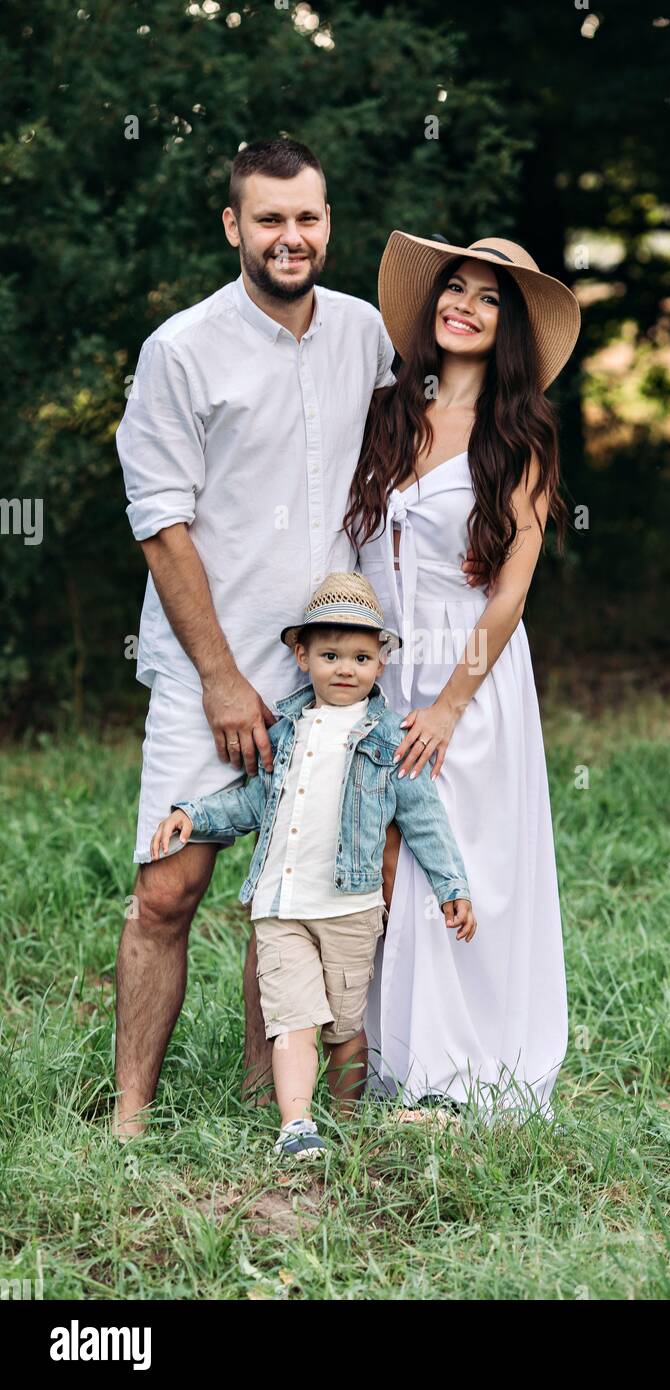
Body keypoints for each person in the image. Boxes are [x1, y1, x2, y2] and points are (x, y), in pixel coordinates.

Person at [113, 138, 396, 1139]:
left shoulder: (365, 333)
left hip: (330, 676)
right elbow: (160, 522)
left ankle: (263, 1101)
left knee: (295, 898)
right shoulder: (181, 349)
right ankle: (131, 1116)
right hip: (213, 672)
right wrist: (223, 677)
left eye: (307, 217)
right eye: (268, 218)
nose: (290, 236)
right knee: (168, 889)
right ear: (233, 226)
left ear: (328, 224)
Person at [345, 231, 580, 1119]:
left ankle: (465, 1075)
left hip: (469, 675)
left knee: (466, 863)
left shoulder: (518, 437)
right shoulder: (389, 414)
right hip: (380, 666)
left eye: (488, 297)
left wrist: (446, 708)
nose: (465, 306)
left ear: (507, 326)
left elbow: (511, 596)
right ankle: (392, 1063)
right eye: (456, 288)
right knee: (388, 862)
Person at [150, 574, 476, 1159]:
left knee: (344, 1029)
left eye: (359, 656)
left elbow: (425, 819)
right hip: (281, 905)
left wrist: (452, 885)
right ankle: (296, 1127)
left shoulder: (386, 741)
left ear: (380, 663)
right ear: (302, 656)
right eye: (329, 655)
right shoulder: (286, 731)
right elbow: (252, 801)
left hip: (350, 908)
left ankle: (347, 1119)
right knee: (293, 1021)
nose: (344, 668)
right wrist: (192, 815)